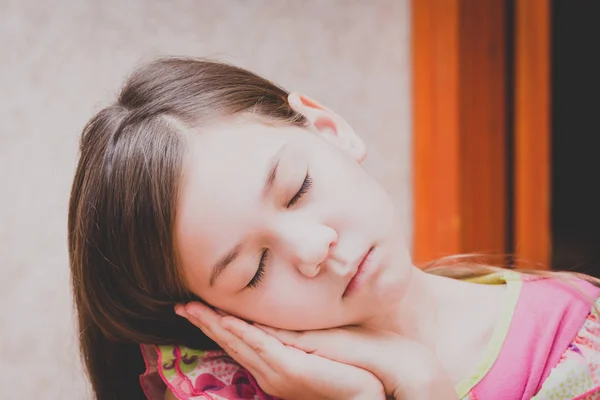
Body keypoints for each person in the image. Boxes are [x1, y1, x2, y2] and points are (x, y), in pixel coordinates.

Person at [69, 57, 600, 400]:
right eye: (253, 271)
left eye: (297, 188)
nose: (313, 247)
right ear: (213, 318)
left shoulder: (577, 333)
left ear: (331, 130)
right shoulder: (221, 389)